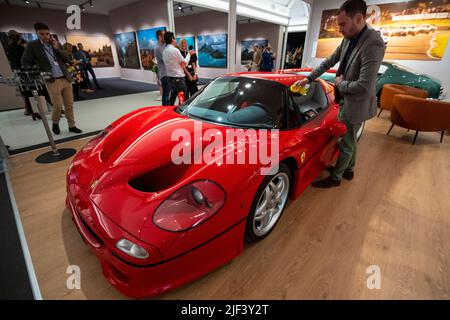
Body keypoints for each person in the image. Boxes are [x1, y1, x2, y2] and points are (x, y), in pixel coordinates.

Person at [295, 0, 385, 188]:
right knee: (350, 139)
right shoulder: (348, 38)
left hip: (357, 102)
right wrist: (309, 78)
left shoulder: (373, 43)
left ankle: (336, 178)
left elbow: (364, 85)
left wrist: (341, 84)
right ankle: (349, 169)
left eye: (343, 24)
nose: (340, 29)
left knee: (346, 141)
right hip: (345, 99)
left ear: (359, 18)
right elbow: (329, 61)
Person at [22, 22, 82, 134]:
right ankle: (55, 123)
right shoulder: (33, 45)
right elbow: (25, 62)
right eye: (42, 34)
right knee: (58, 106)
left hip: (65, 78)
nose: (45, 36)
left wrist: (57, 48)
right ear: (37, 33)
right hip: (52, 80)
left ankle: (72, 125)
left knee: (69, 105)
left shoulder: (55, 44)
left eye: (47, 33)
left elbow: (67, 59)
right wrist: (39, 70)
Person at [162, 31, 189, 105]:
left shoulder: (164, 51)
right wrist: (189, 54)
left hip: (170, 78)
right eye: (174, 38)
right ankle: (181, 115)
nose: (175, 40)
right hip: (179, 78)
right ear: (172, 39)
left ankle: (170, 114)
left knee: (172, 98)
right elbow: (185, 63)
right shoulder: (175, 50)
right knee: (183, 100)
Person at [154, 29, 170, 106]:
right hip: (164, 74)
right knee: (166, 95)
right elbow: (165, 60)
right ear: (160, 37)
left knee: (168, 95)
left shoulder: (165, 46)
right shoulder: (158, 48)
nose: (165, 37)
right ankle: (165, 110)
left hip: (168, 73)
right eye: (164, 35)